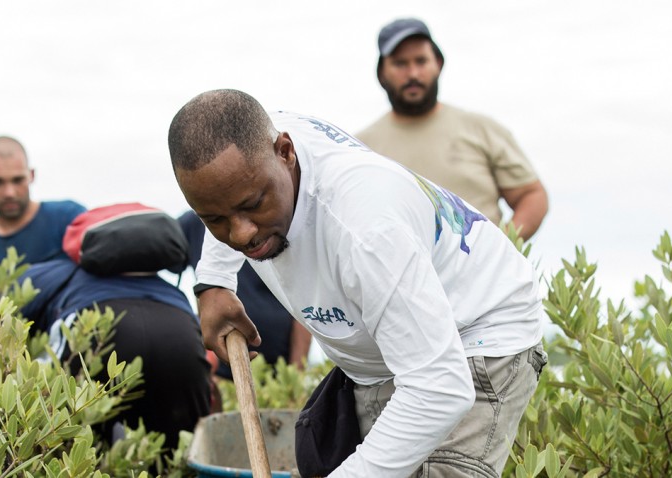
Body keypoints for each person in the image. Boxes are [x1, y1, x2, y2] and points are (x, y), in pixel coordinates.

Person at [168, 89, 547, 477]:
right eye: (214, 219)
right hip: (384, 357)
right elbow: (226, 198)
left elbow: (439, 387)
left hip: (475, 334)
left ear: (286, 152)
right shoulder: (252, 149)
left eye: (253, 206)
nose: (242, 234)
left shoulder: (366, 230)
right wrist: (213, 284)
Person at [357, 18, 549, 240]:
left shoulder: (482, 129)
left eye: (421, 61)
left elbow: (531, 195)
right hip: (396, 273)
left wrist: (500, 249)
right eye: (400, 64)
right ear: (382, 72)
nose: (413, 74)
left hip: (481, 272)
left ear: (438, 64)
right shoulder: (360, 150)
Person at [18, 257, 212, 450]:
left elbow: (11, 339)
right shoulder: (156, 277)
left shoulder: (47, 272)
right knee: (181, 451)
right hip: (178, 328)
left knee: (63, 446)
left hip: (96, 322)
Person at [0, 136, 85, 330]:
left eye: (17, 180)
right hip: (9, 358)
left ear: (31, 175)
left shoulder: (68, 219)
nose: (9, 192)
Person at [177, 210, 312, 377]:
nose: (241, 236)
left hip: (280, 369)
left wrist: (296, 374)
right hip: (219, 368)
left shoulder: (275, 212)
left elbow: (304, 300)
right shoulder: (193, 222)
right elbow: (161, 251)